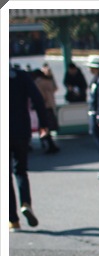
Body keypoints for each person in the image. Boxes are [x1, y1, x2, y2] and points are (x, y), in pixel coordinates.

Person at [9, 64, 49, 231]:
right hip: (21, 131)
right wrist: (44, 124)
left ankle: (13, 220)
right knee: (21, 170)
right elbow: (38, 100)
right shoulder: (21, 76)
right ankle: (26, 203)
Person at [31, 68, 60, 154]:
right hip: (51, 105)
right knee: (49, 126)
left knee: (43, 126)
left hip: (44, 107)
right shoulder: (48, 81)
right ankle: (50, 144)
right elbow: (55, 89)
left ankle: (47, 143)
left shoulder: (38, 83)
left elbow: (40, 96)